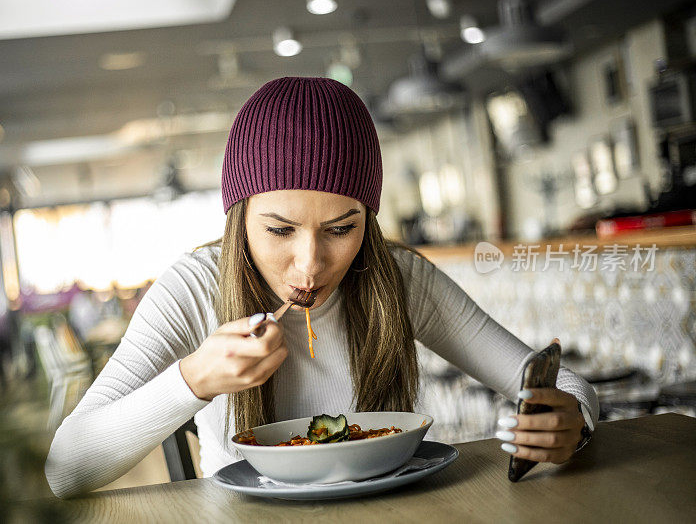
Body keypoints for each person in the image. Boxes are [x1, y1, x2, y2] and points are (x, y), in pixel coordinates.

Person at [45, 77, 597, 498]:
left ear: (369, 220)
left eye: (340, 229)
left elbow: (563, 383)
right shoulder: (194, 288)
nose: (309, 265)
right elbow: (65, 469)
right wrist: (192, 381)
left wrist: (570, 422)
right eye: (279, 230)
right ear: (239, 218)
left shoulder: (398, 278)